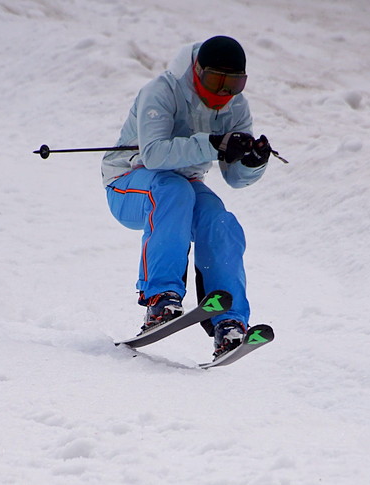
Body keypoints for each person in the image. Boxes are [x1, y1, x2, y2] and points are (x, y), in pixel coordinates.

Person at [101, 36, 271, 359]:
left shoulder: (237, 106)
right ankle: (159, 297)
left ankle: (229, 322)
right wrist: (213, 144)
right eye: (215, 80)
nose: (223, 92)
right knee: (173, 191)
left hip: (183, 186)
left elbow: (234, 178)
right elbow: (152, 155)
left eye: (234, 83)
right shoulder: (162, 92)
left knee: (220, 220)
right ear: (197, 70)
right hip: (127, 181)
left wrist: (251, 162)